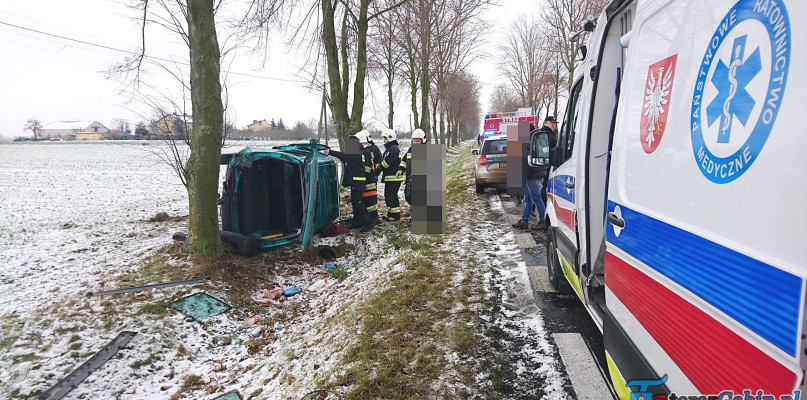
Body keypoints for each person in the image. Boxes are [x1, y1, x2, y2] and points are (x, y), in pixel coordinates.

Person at [512, 116, 557, 230]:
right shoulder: (532, 139)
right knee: (528, 199)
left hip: (534, 174)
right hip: (532, 174)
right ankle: (525, 220)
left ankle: (542, 221)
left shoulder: (536, 139)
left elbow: (530, 160)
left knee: (536, 198)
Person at [324, 134, 374, 233]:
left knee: (359, 203)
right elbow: (346, 159)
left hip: (357, 183)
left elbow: (343, 156)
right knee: (355, 203)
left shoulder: (355, 153)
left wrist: (330, 152)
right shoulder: (357, 153)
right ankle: (357, 223)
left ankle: (368, 223)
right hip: (356, 182)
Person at [379, 128, 404, 221]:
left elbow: (386, 163)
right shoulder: (391, 148)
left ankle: (395, 215)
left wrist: (378, 168)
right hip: (390, 178)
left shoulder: (393, 149)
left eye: (385, 138)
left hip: (394, 177)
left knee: (392, 196)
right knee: (388, 196)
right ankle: (391, 214)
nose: (384, 140)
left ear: (390, 138)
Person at [358, 130, 381, 225]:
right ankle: (372, 217)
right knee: (369, 200)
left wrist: (361, 173)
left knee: (370, 200)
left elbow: (368, 168)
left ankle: (374, 218)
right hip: (368, 179)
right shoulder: (367, 150)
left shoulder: (367, 151)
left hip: (368, 180)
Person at [402, 128, 426, 205]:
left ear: (423, 140)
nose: (415, 142)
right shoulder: (410, 149)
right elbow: (404, 161)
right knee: (409, 197)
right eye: (414, 140)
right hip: (410, 179)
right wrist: (400, 169)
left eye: (418, 140)